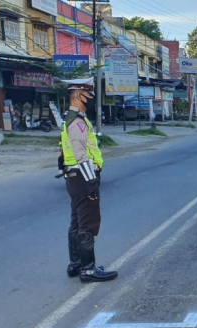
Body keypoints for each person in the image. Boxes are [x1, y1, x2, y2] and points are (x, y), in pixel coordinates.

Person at [61, 78, 118, 283]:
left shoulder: (72, 118)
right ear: (79, 96)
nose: (92, 99)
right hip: (83, 176)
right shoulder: (77, 122)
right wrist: (92, 180)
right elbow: (80, 154)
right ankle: (87, 269)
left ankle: (76, 264)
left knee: (77, 219)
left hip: (75, 177)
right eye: (89, 95)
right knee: (87, 220)